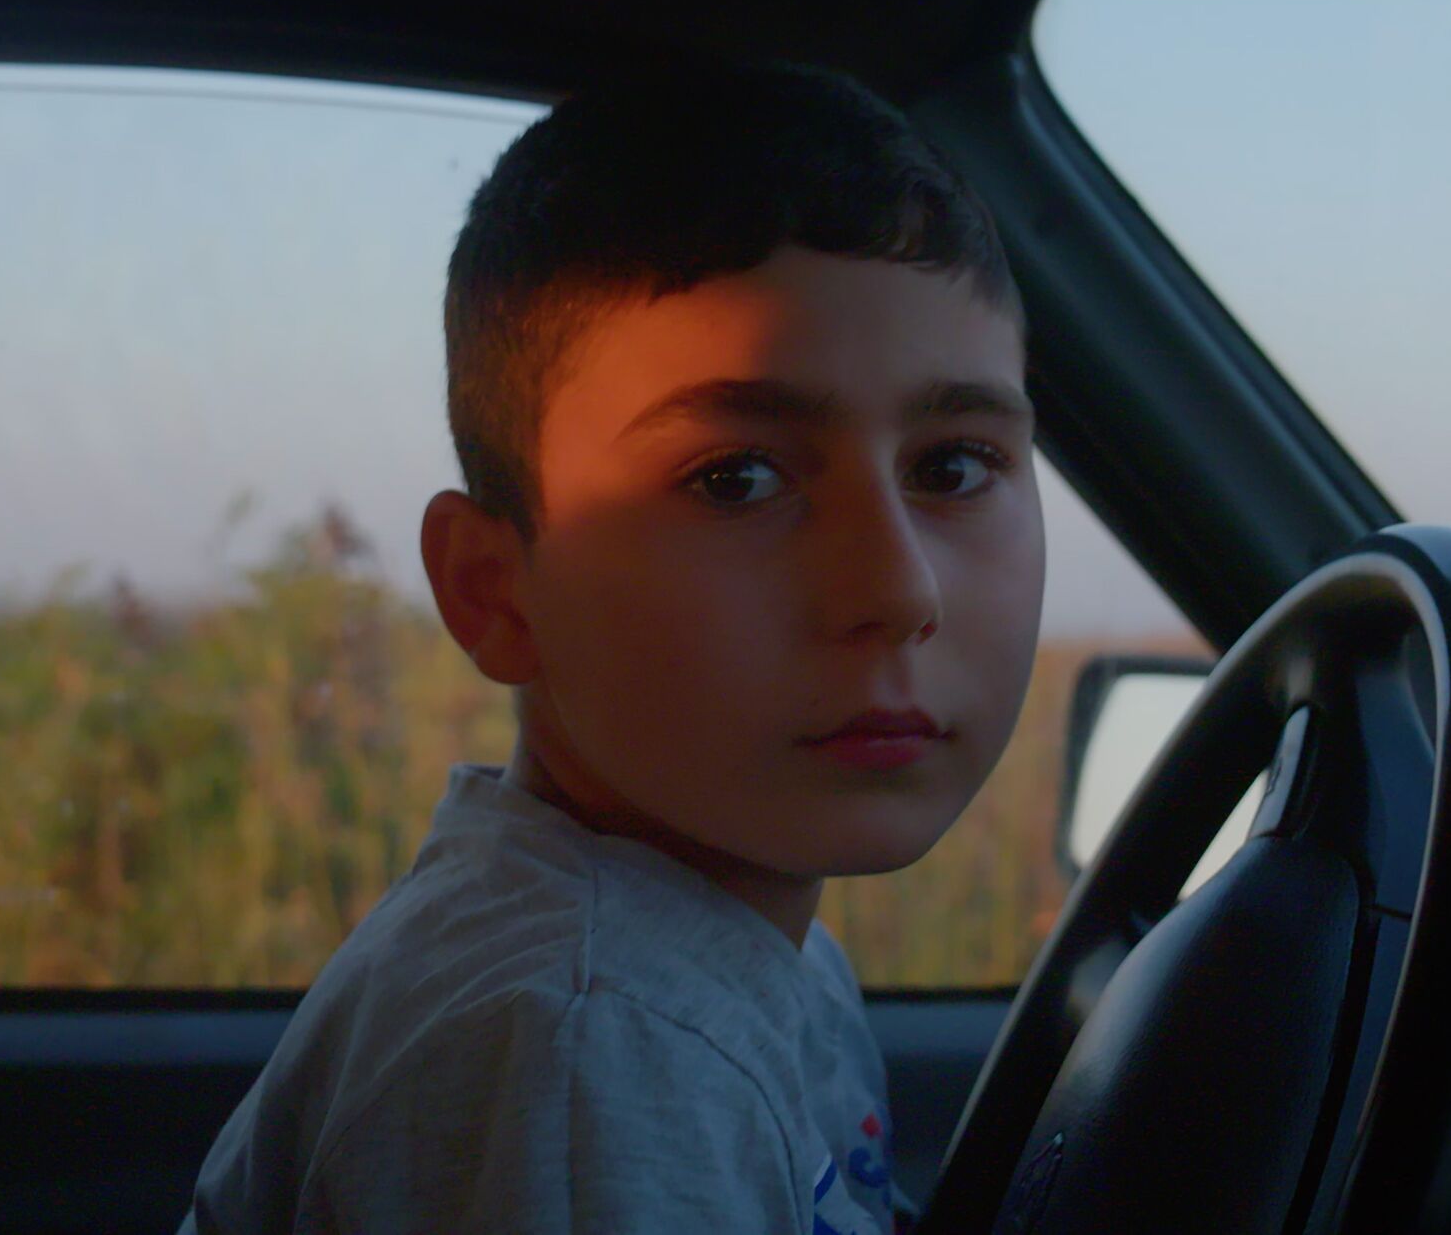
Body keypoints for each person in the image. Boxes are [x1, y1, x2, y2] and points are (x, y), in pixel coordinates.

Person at [181, 62, 1047, 1234]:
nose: (897, 590)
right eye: (736, 480)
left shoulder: (739, 959)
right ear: (495, 592)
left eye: (951, 465)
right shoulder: (598, 1046)